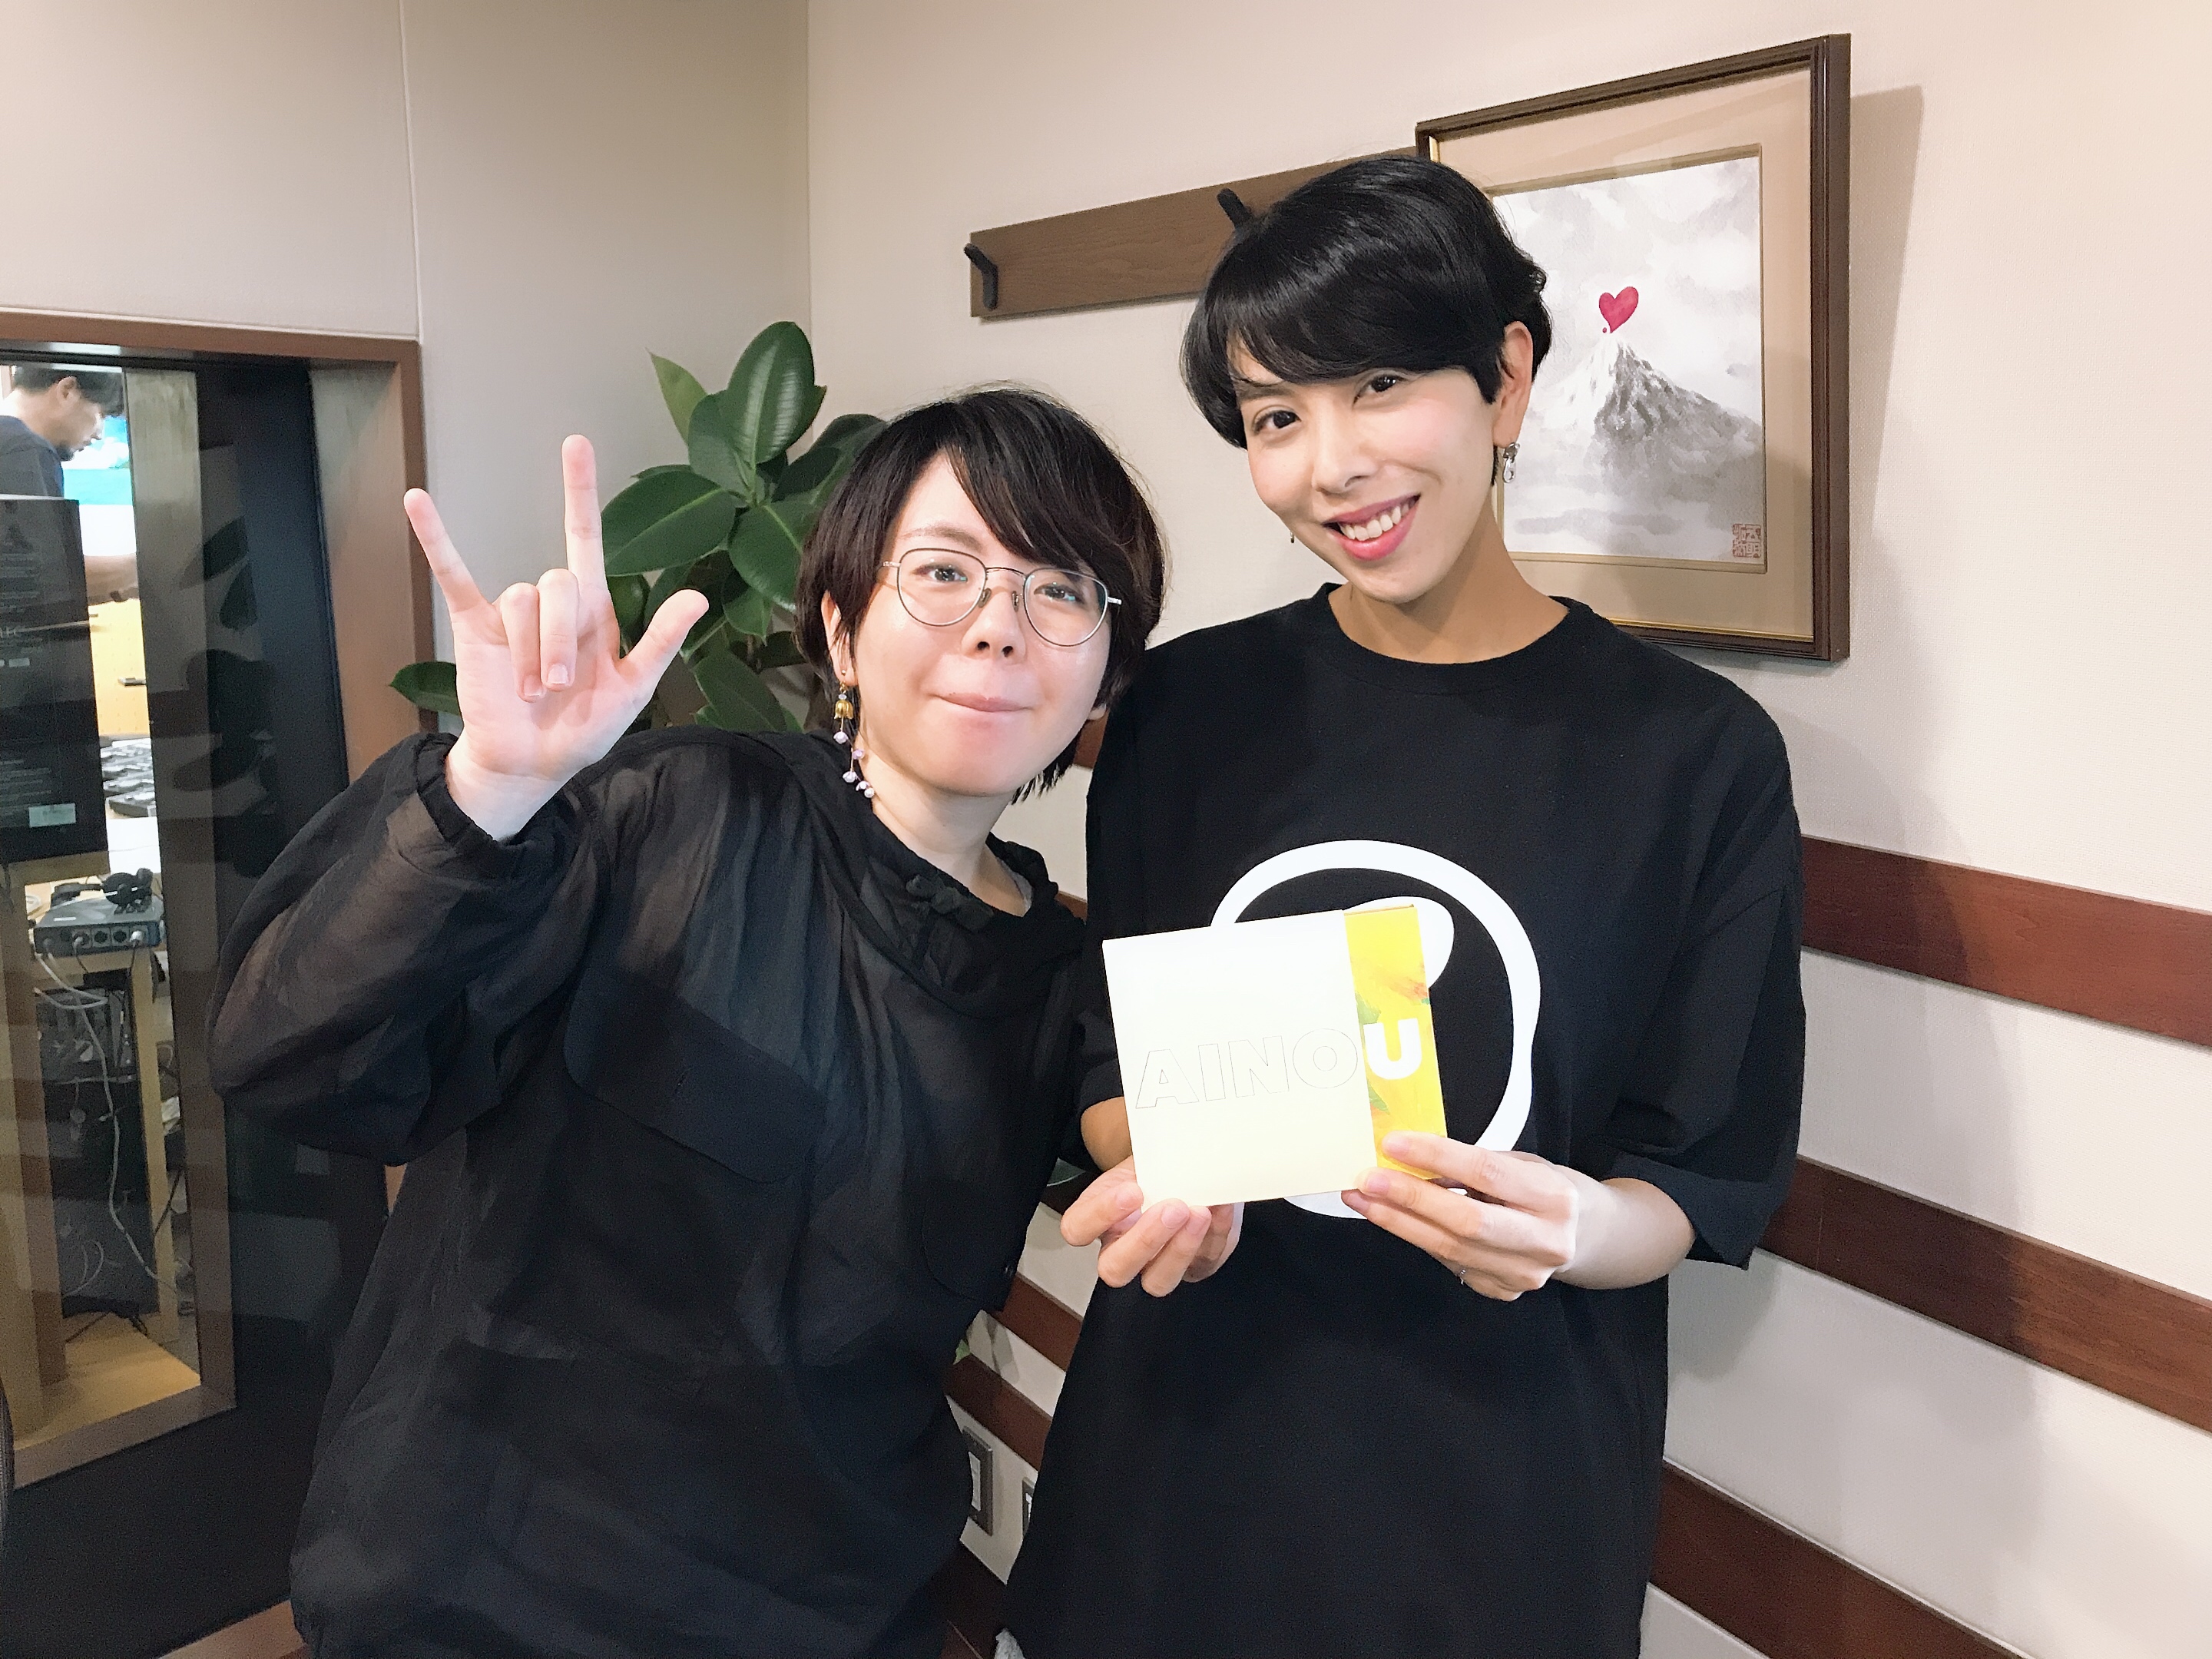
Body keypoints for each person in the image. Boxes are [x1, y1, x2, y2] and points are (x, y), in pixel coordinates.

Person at [205, 388, 1174, 1657]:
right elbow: (291, 1059)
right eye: (945, 573)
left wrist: (1189, 1180)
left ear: (1106, 659)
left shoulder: (1057, 975)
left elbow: (1149, 1122)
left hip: (832, 1613)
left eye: (1061, 591)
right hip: (491, 1598)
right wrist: (486, 792)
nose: (1002, 626)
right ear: (841, 629)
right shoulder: (674, 811)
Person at [1005, 156, 1805, 1658]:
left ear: (1506, 378)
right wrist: (1161, 1172)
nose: (1333, 465)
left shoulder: (1691, 756)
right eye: (1276, 419)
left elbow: (1700, 1170)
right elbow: (1123, 1054)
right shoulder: (1190, 709)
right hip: (1177, 1469)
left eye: (1379, 385)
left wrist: (1576, 1228)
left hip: (1494, 1497)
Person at [0, 365, 136, 602]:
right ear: (67, 391)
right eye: (101, 414)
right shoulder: (24, 448)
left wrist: (114, 585)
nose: (100, 434)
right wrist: (141, 566)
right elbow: (42, 576)